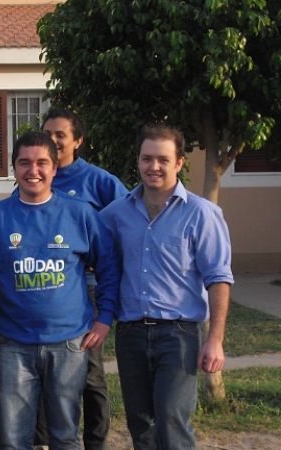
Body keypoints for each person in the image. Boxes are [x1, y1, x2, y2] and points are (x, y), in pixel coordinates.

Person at [0, 131, 120, 450]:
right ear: (14, 168)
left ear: (54, 169)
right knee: (13, 440)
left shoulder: (79, 214)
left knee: (65, 435)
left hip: (69, 344)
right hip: (15, 346)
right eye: (24, 162)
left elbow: (109, 267)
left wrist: (105, 317)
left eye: (41, 163)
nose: (32, 170)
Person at [100, 124, 233, 450]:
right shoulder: (116, 214)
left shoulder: (202, 214)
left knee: (172, 422)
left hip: (178, 335)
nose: (153, 166)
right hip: (130, 334)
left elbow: (219, 279)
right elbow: (76, 232)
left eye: (162, 159)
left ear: (178, 163)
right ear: (138, 161)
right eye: (147, 158)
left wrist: (215, 340)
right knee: (140, 425)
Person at [34, 108, 128, 450]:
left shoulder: (99, 181)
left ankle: (95, 442)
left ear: (78, 140)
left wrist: (101, 257)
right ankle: (45, 441)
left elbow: (130, 221)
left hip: (85, 293)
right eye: (49, 133)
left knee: (90, 374)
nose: (54, 140)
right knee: (44, 369)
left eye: (61, 134)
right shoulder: (37, 174)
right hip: (43, 290)